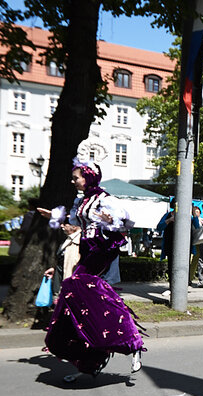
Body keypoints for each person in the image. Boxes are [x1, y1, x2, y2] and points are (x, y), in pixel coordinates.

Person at [39, 158, 144, 381]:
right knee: (80, 300)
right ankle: (89, 359)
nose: (73, 181)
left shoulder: (104, 199)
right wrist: (55, 217)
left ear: (88, 177)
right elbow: (74, 222)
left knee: (72, 286)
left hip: (101, 249)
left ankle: (130, 341)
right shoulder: (84, 201)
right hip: (86, 250)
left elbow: (126, 221)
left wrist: (111, 220)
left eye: (76, 177)